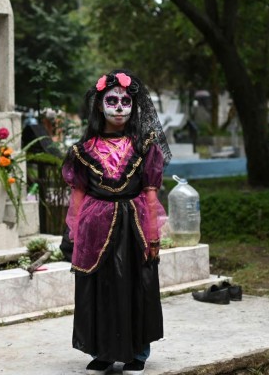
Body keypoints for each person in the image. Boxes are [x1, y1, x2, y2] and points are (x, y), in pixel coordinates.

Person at [62, 69, 171, 375]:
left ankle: (138, 352)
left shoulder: (144, 146)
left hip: (133, 229)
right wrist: (74, 233)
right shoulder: (83, 151)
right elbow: (78, 197)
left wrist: (153, 235)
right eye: (112, 100)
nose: (120, 107)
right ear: (100, 105)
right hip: (94, 231)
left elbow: (151, 194)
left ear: (134, 106)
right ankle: (104, 352)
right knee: (100, 287)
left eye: (126, 101)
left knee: (137, 285)